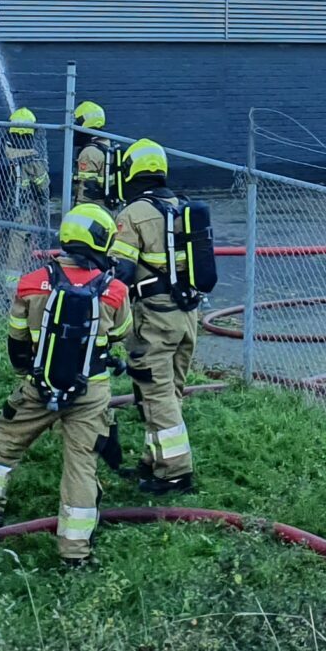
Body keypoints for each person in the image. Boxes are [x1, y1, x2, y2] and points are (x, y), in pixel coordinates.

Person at [0, 203, 134, 565]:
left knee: (0, 449)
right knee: (80, 467)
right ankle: (75, 552)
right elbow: (122, 333)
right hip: (90, 391)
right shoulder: (116, 290)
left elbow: (16, 340)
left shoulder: (30, 284)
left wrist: (29, 377)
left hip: (38, 387)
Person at [109, 138, 200, 493]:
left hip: (155, 316)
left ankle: (176, 471)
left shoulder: (132, 215)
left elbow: (122, 273)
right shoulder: (183, 207)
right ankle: (155, 460)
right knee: (168, 389)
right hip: (186, 314)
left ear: (131, 172)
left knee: (156, 390)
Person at [0, 106, 51, 273]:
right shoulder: (33, 156)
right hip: (22, 212)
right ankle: (10, 292)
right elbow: (43, 185)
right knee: (16, 254)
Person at [71, 100, 118, 207]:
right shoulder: (109, 143)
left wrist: (78, 208)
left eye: (77, 123)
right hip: (108, 205)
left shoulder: (89, 152)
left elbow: (86, 190)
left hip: (91, 207)